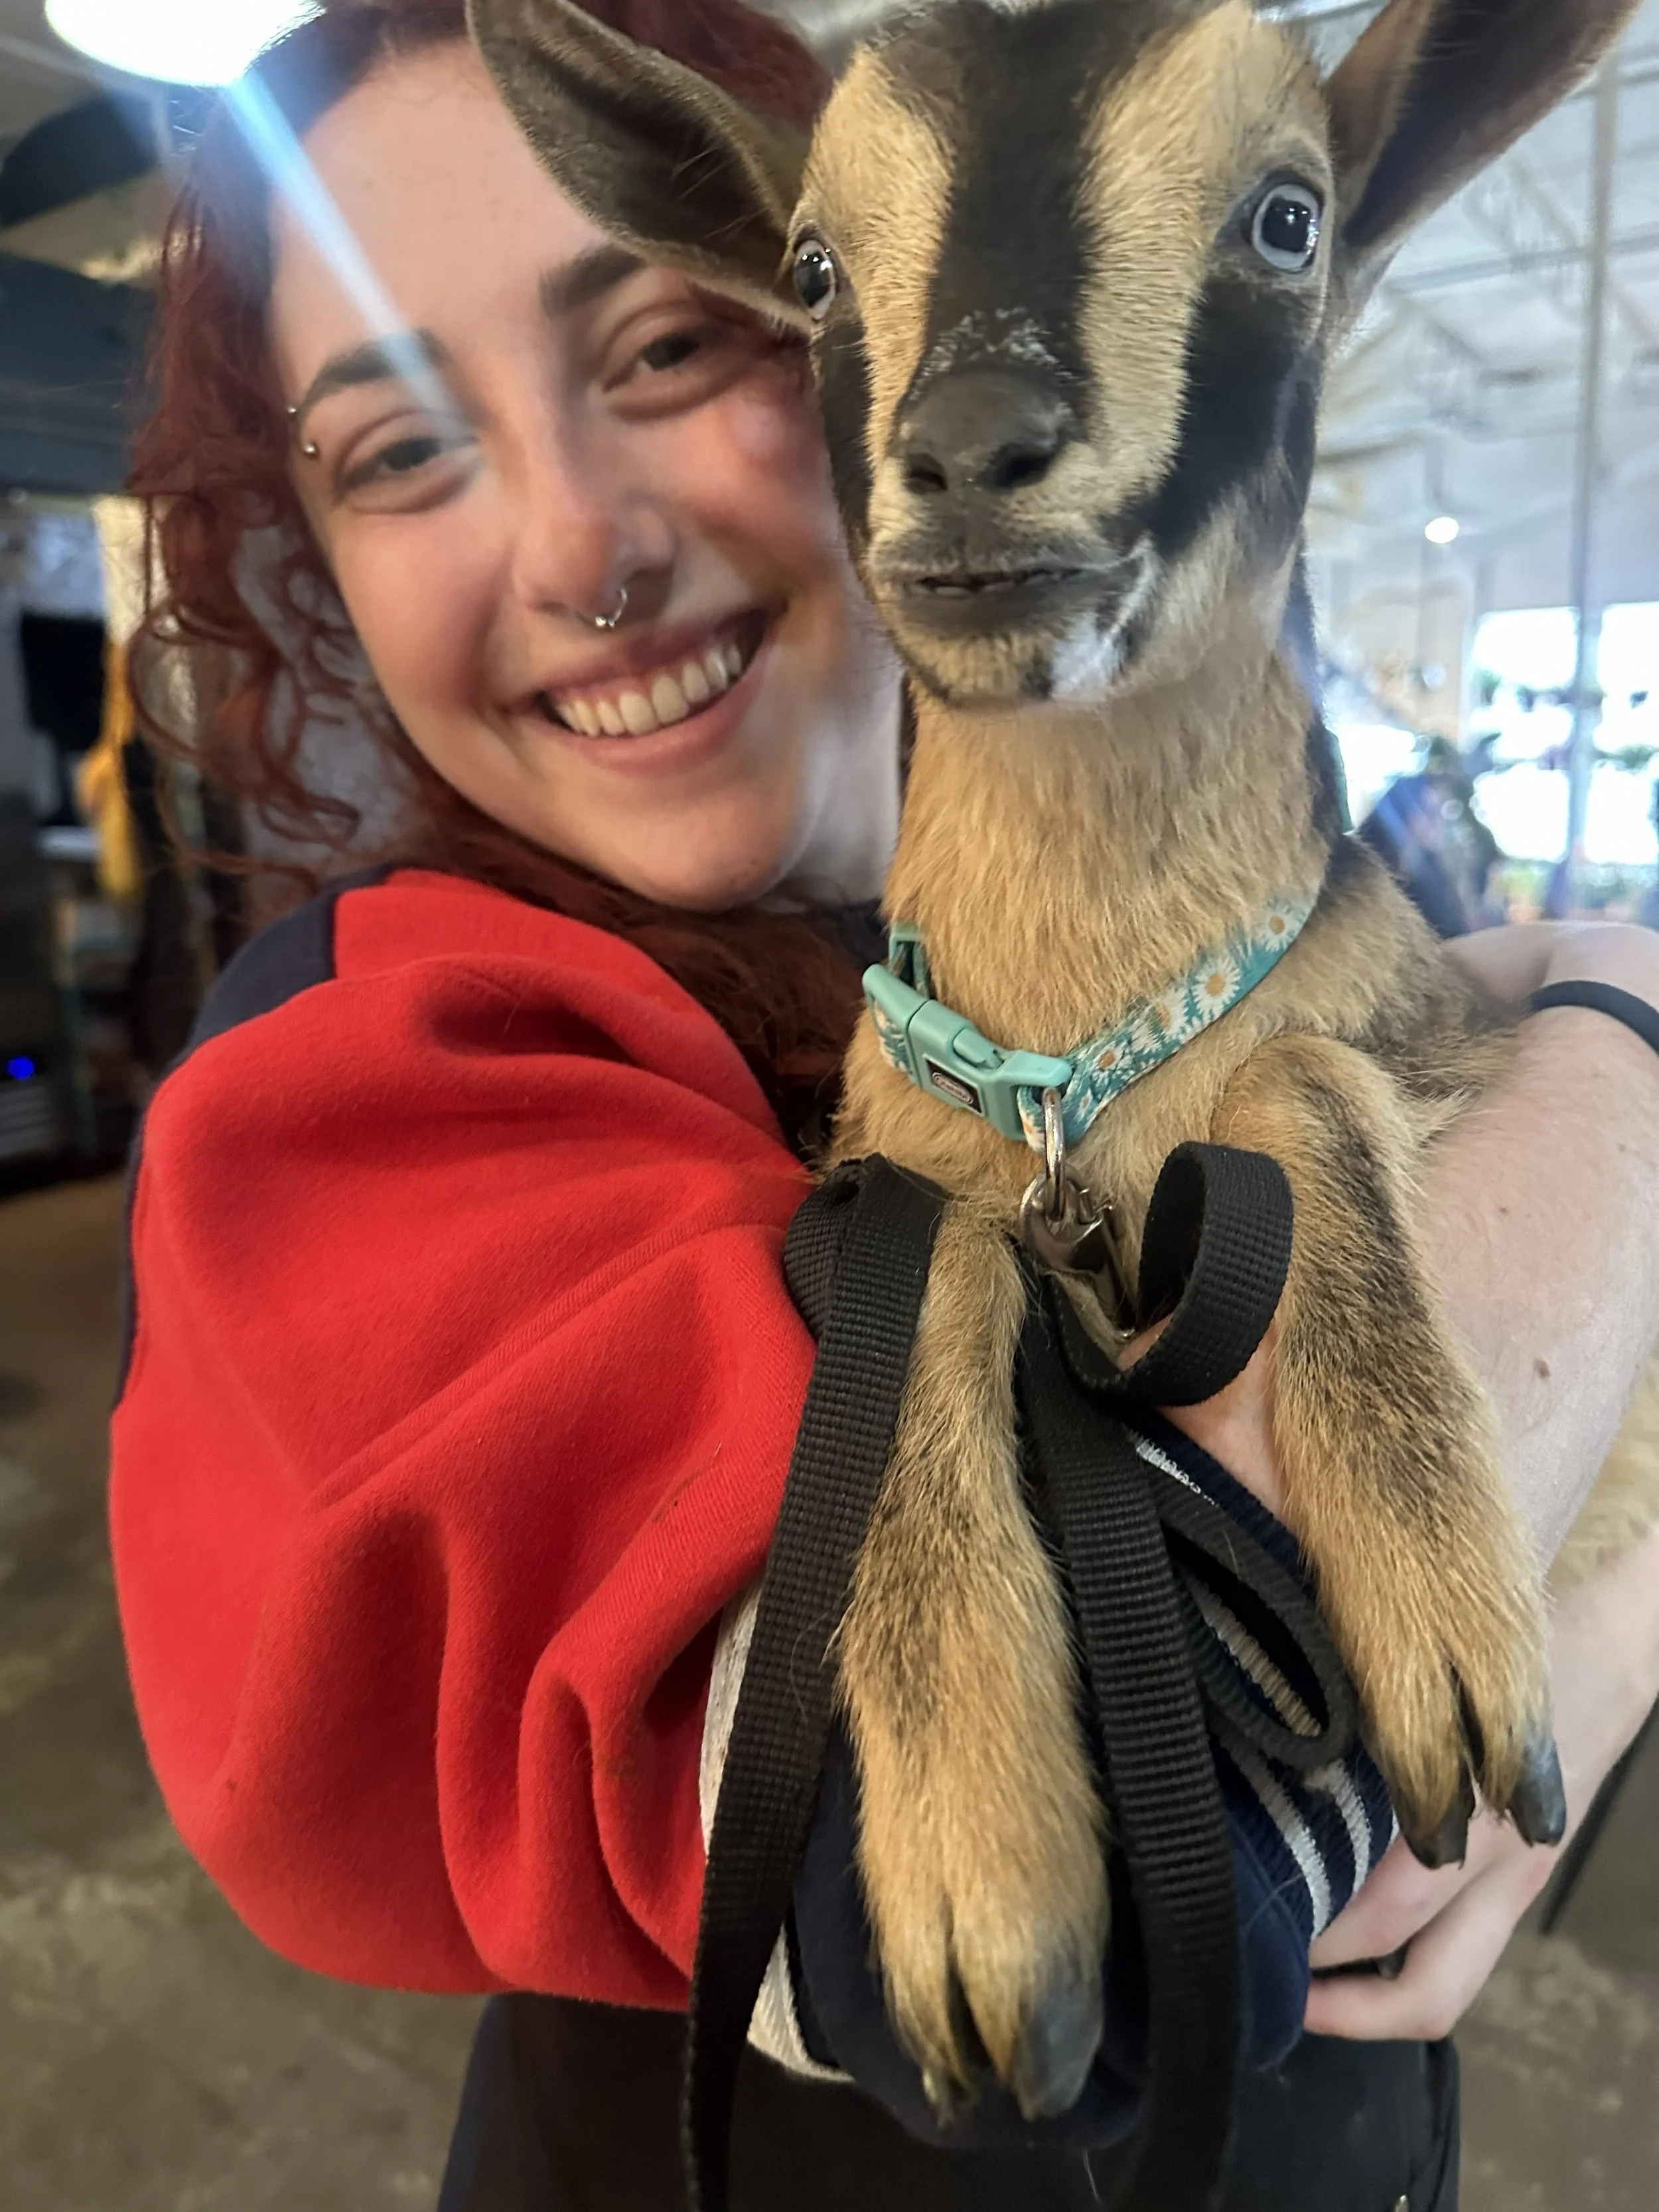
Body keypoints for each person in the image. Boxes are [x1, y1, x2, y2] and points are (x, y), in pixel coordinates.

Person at [111, 3, 1659, 2207]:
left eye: (662, 350)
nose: (582, 547)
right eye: (398, 450)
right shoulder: (359, 1077)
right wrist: (1617, 1039)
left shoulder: (1144, 937)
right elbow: (1158, 1866)